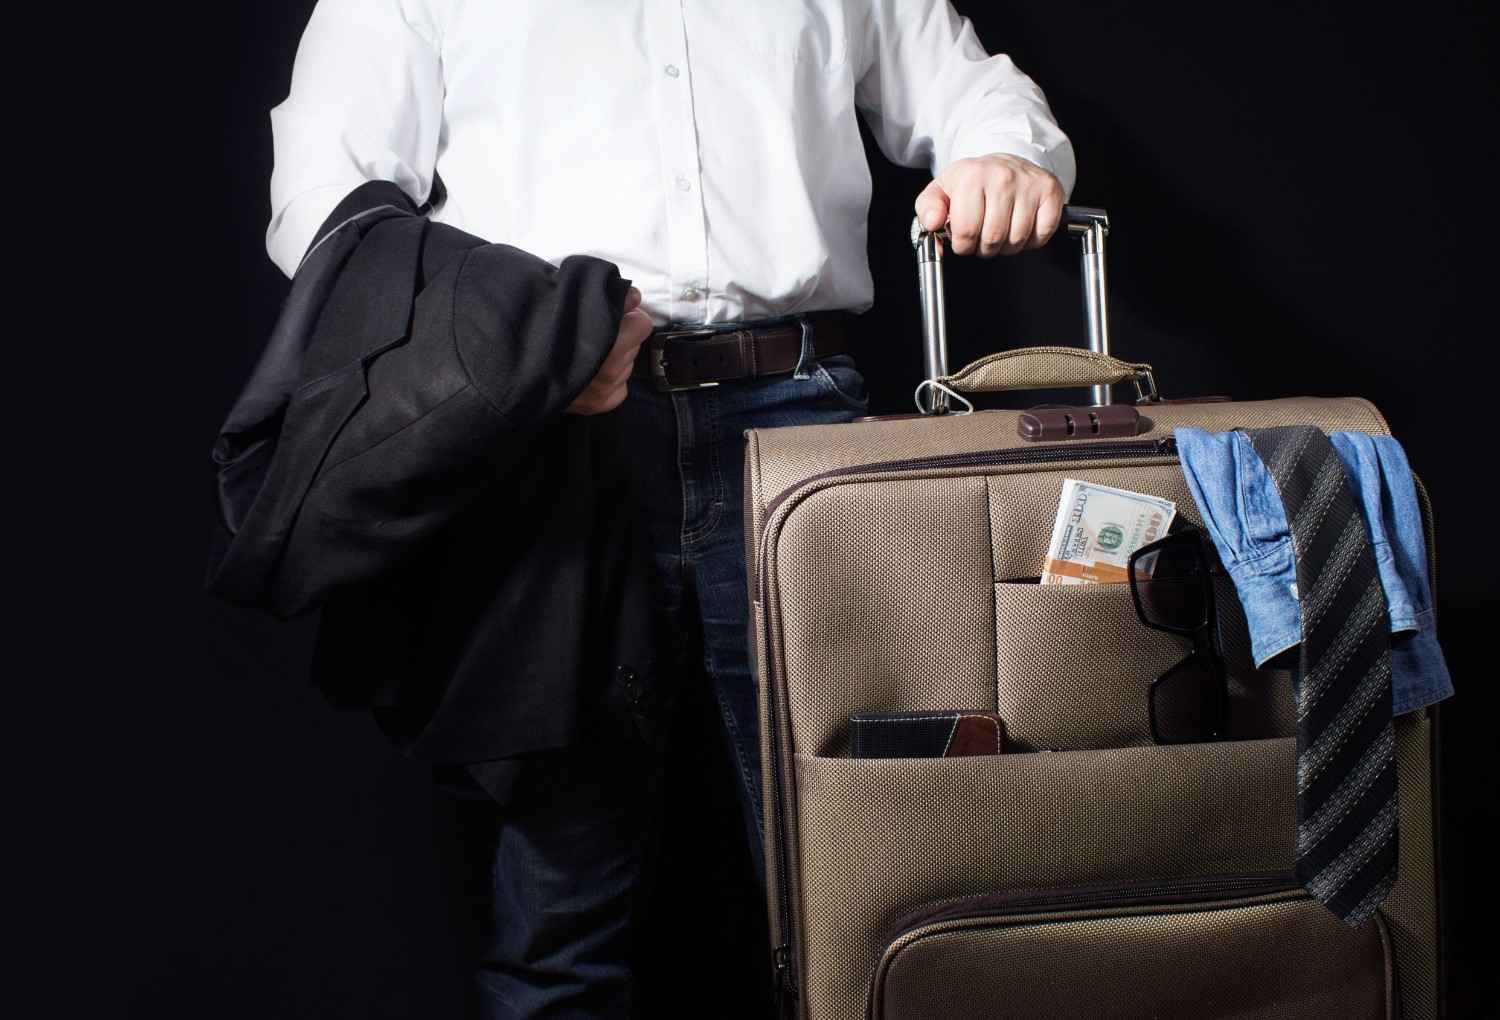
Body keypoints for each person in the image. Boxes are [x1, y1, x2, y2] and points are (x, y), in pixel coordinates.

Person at [265, 1, 1075, 1016]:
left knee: (885, 887)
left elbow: (976, 94)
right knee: (559, 919)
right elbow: (321, 202)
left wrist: (1004, 152)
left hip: (803, 435)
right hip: (542, 453)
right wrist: (520, 333)